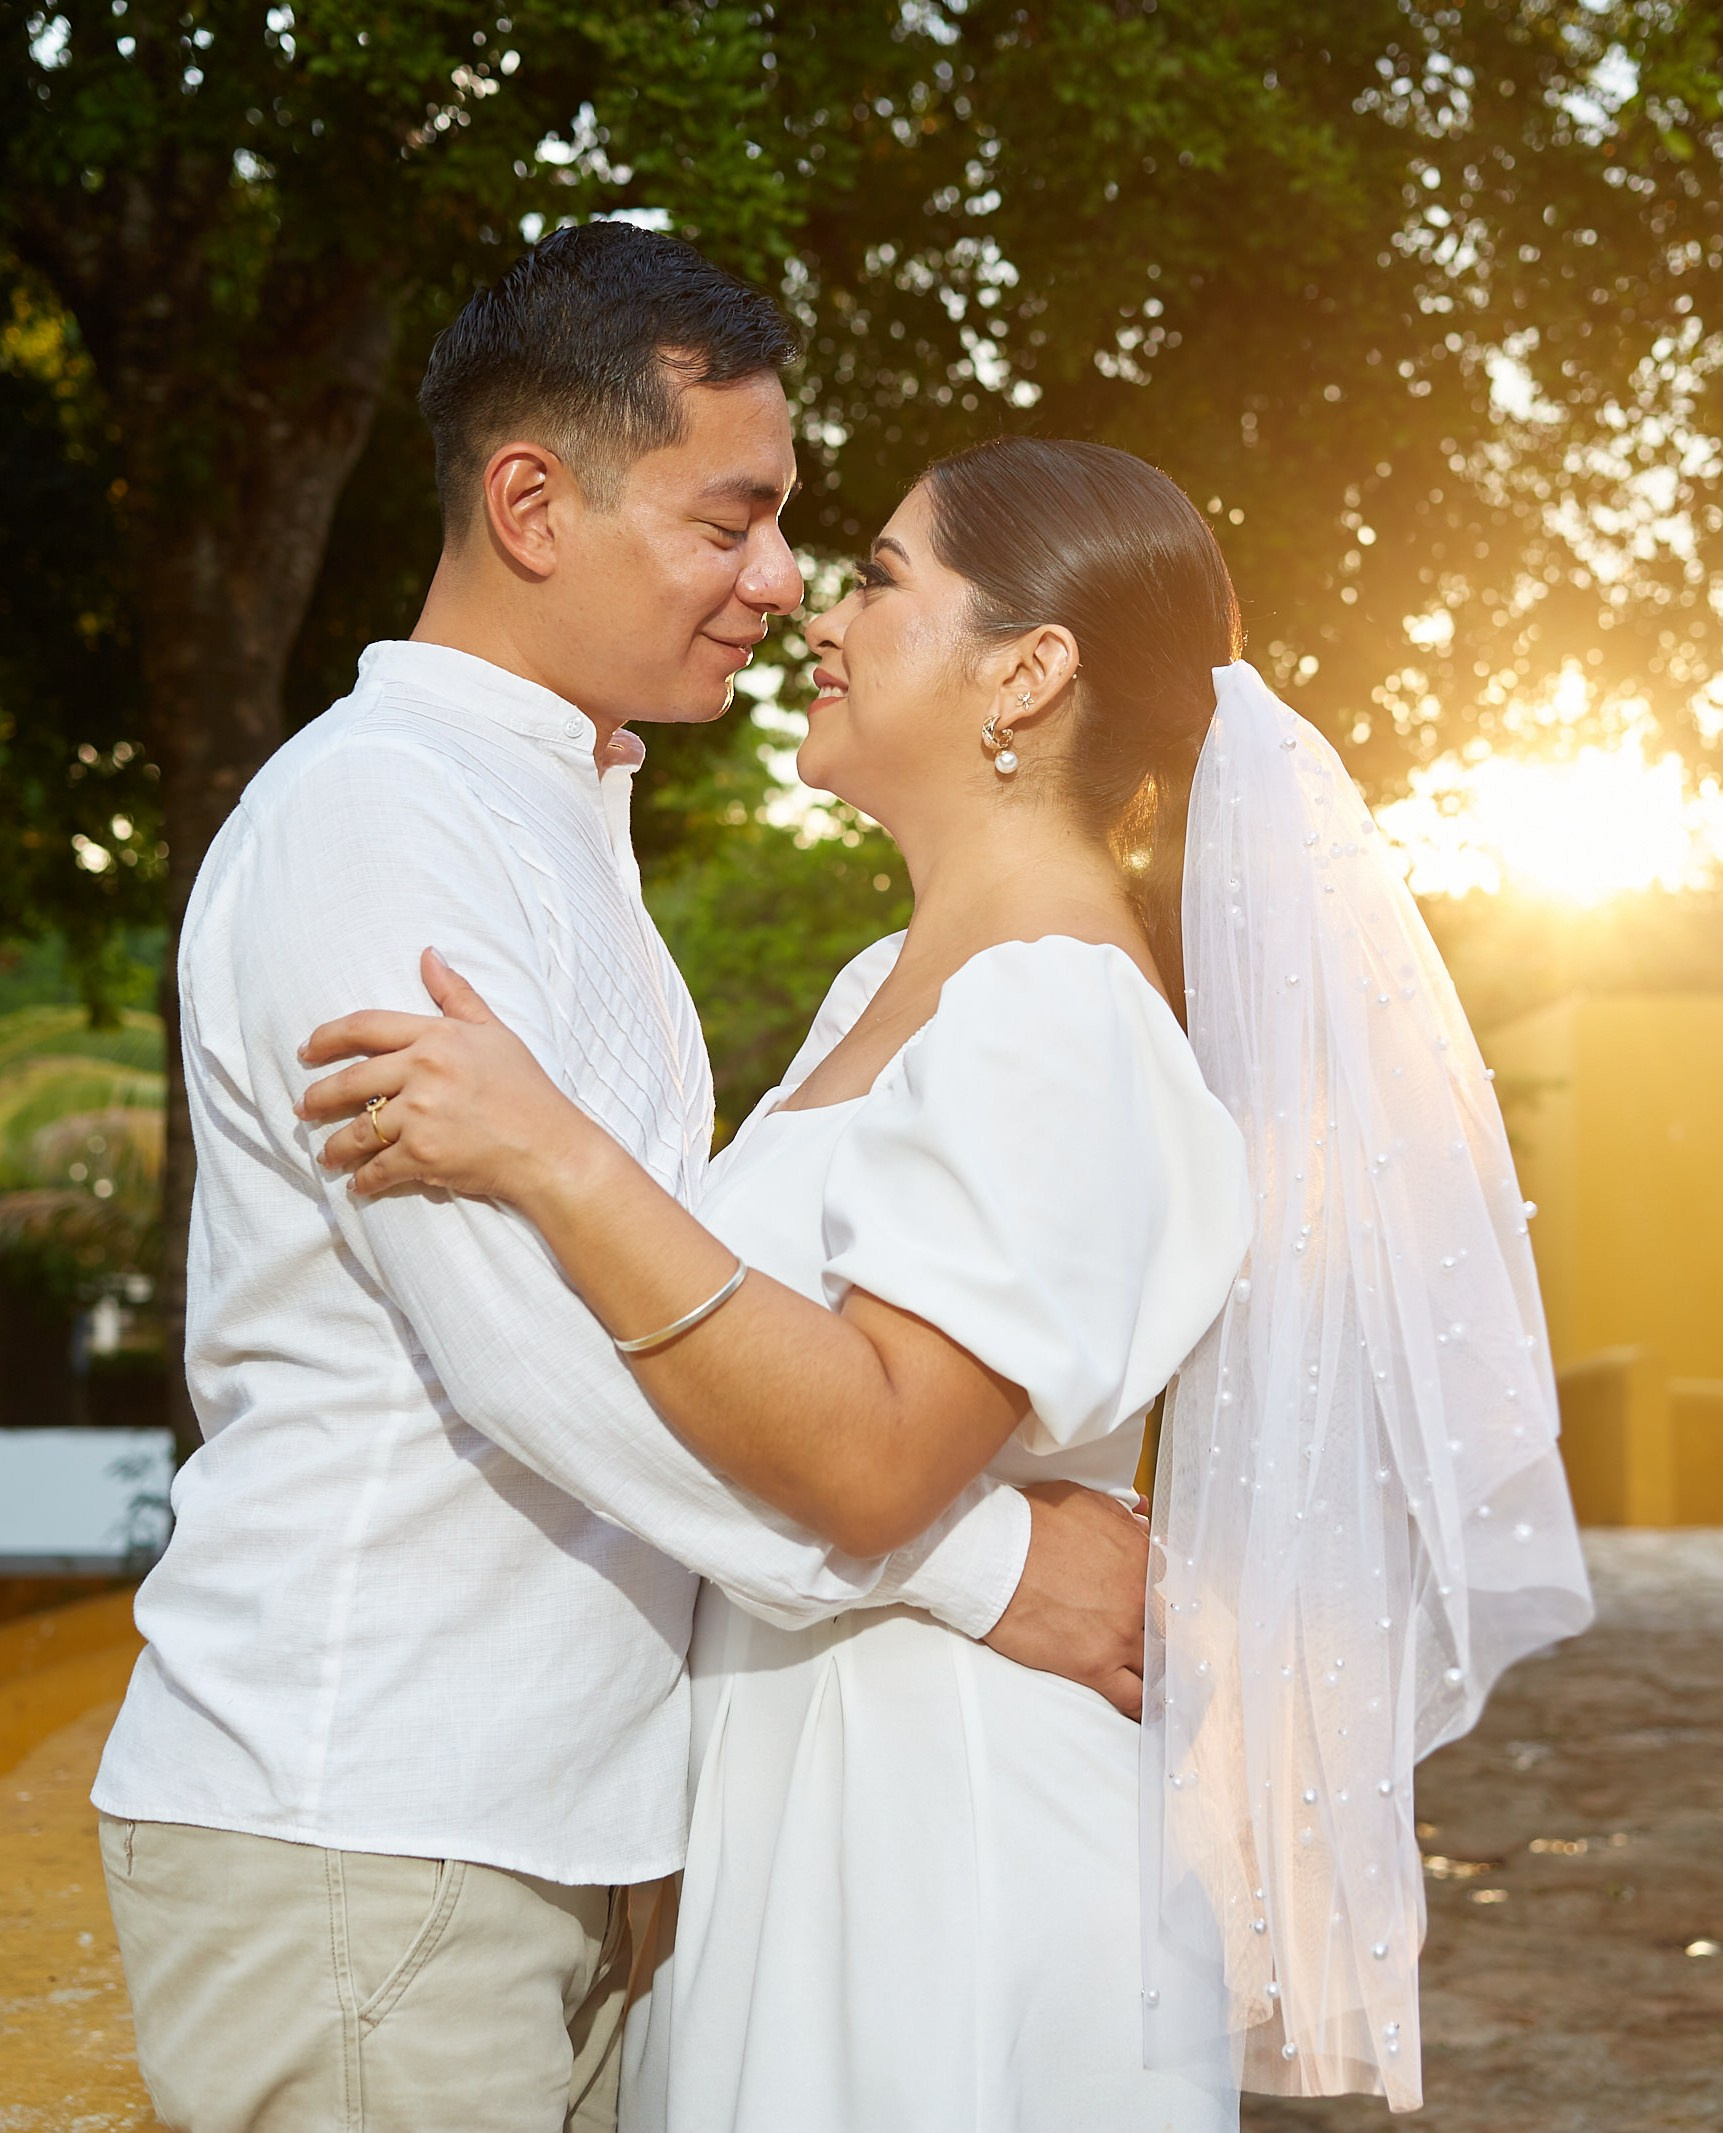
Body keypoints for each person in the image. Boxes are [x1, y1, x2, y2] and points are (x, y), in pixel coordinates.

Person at [301, 435, 1593, 2131]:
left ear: (1028, 671)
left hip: (943, 1829)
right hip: (804, 1789)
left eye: (883, 578)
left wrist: (553, 1154)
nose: (817, 615)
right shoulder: (877, 989)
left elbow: (878, 1452)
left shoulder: (1056, 1014)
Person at [91, 230, 1154, 2133]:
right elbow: (535, 1354)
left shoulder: (562, 827)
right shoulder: (379, 819)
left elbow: (672, 1313)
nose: (776, 583)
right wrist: (995, 1565)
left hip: (536, 1843)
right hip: (372, 1823)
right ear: (530, 502)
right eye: (729, 519)